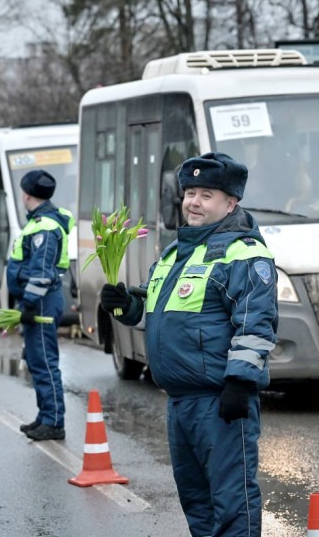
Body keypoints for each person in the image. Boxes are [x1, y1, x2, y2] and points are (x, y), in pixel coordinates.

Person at [100, 152, 278, 536]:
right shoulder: (175, 253)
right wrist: (126, 307)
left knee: (233, 504)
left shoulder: (244, 253)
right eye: (190, 192)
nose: (193, 202)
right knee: (197, 503)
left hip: (220, 402)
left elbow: (255, 325)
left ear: (231, 202)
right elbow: (160, 317)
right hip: (180, 403)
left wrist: (240, 383)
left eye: (206, 195)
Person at [8, 169, 74, 441]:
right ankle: (45, 415)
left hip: (42, 302)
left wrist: (31, 303)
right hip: (38, 300)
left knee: (45, 360)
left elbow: (42, 271)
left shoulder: (45, 227)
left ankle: (54, 421)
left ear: (26, 194)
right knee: (36, 360)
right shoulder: (39, 222)